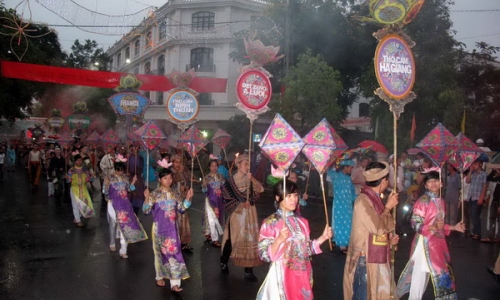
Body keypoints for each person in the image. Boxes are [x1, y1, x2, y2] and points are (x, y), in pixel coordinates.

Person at [256, 180, 332, 299]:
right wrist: (279, 240)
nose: (294, 199)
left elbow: (305, 249)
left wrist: (323, 237)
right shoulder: (270, 222)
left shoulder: (303, 222)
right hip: (282, 275)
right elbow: (263, 254)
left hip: (302, 275)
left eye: (296, 195)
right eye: (289, 196)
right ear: (277, 197)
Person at [397, 170, 465, 299]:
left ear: (441, 183)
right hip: (424, 243)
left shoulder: (441, 201)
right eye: (429, 181)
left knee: (438, 274)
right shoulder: (423, 201)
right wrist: (432, 227)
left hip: (438, 243)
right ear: (426, 185)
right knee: (420, 275)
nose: (433, 183)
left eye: (436, 180)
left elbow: (441, 226)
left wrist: (454, 227)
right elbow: (415, 223)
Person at [343, 161, 399, 300]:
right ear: (383, 181)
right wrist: (388, 208)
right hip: (365, 260)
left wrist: (389, 240)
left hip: (377, 258)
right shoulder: (363, 201)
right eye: (387, 179)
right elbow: (377, 228)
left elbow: (382, 229)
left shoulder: (376, 199)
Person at [143, 163, 194, 292]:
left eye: (170, 178)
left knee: (175, 253)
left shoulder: (175, 194)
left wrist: (188, 198)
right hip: (159, 229)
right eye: (165, 178)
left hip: (173, 229)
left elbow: (181, 209)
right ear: (159, 180)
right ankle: (159, 276)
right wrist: (146, 199)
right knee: (159, 253)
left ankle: (175, 284)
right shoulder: (154, 194)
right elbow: (146, 211)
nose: (169, 180)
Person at [220, 153, 264, 281]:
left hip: (250, 214)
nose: (247, 167)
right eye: (245, 164)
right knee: (231, 240)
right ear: (238, 165)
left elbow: (260, 190)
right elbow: (226, 199)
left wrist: (252, 180)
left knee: (250, 240)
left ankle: (248, 271)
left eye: (248, 165)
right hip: (236, 215)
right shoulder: (230, 181)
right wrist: (240, 204)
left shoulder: (249, 178)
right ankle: (223, 261)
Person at [103, 155, 147, 258]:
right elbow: (105, 193)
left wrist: (133, 182)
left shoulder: (125, 178)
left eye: (122, 170)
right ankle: (112, 243)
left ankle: (123, 250)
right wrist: (105, 185)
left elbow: (129, 189)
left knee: (125, 225)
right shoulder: (109, 178)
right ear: (115, 169)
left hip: (125, 205)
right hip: (113, 204)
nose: (120, 172)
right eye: (118, 170)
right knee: (113, 225)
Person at [327, 160, 356, 253]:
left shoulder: (348, 179)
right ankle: (342, 245)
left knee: (348, 224)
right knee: (339, 223)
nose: (351, 169)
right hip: (339, 205)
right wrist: (331, 160)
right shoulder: (336, 175)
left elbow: (352, 194)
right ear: (345, 167)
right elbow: (327, 170)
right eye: (350, 167)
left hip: (348, 206)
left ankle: (339, 241)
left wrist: (360, 197)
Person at [171, 154, 193, 252]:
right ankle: (175, 243)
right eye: (176, 162)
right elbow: (170, 185)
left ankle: (183, 243)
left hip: (183, 200)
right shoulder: (170, 173)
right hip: (173, 202)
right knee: (176, 222)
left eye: (180, 162)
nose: (178, 164)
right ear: (172, 163)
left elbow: (188, 182)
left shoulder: (183, 172)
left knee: (184, 221)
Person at [202, 158, 225, 246]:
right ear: (209, 167)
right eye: (212, 166)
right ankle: (215, 239)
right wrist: (204, 185)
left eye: (216, 166)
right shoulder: (206, 178)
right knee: (211, 218)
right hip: (210, 201)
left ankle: (208, 233)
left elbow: (224, 188)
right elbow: (204, 191)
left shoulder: (221, 177)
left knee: (217, 218)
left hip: (219, 201)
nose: (214, 168)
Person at [66, 154, 95, 227]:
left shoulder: (85, 169)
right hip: (74, 189)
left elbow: (88, 179)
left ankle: (77, 217)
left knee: (83, 203)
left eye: (80, 160)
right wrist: (67, 178)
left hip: (83, 189)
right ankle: (78, 220)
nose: (79, 162)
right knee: (75, 205)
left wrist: (93, 177)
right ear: (75, 161)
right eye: (78, 160)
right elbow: (68, 181)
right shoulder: (72, 170)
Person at [465, 160, 488, 240]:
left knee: (475, 215)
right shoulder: (473, 174)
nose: (474, 165)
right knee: (472, 214)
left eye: (475, 163)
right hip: (471, 196)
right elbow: (467, 181)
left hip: (478, 197)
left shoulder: (484, 174)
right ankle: (474, 231)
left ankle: (477, 233)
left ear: (480, 164)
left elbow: (485, 186)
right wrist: (470, 171)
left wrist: (482, 197)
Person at [482, 168, 500, 243]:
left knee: (499, 219)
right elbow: (489, 178)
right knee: (492, 217)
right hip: (495, 200)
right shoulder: (497, 179)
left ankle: (498, 236)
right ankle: (491, 236)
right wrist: (493, 171)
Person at [127, 145, 145, 215]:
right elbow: (127, 168)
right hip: (131, 178)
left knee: (138, 195)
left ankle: (136, 214)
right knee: (131, 194)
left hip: (138, 178)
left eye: (137, 147)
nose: (136, 149)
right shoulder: (129, 157)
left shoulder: (141, 158)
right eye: (134, 147)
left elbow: (142, 167)